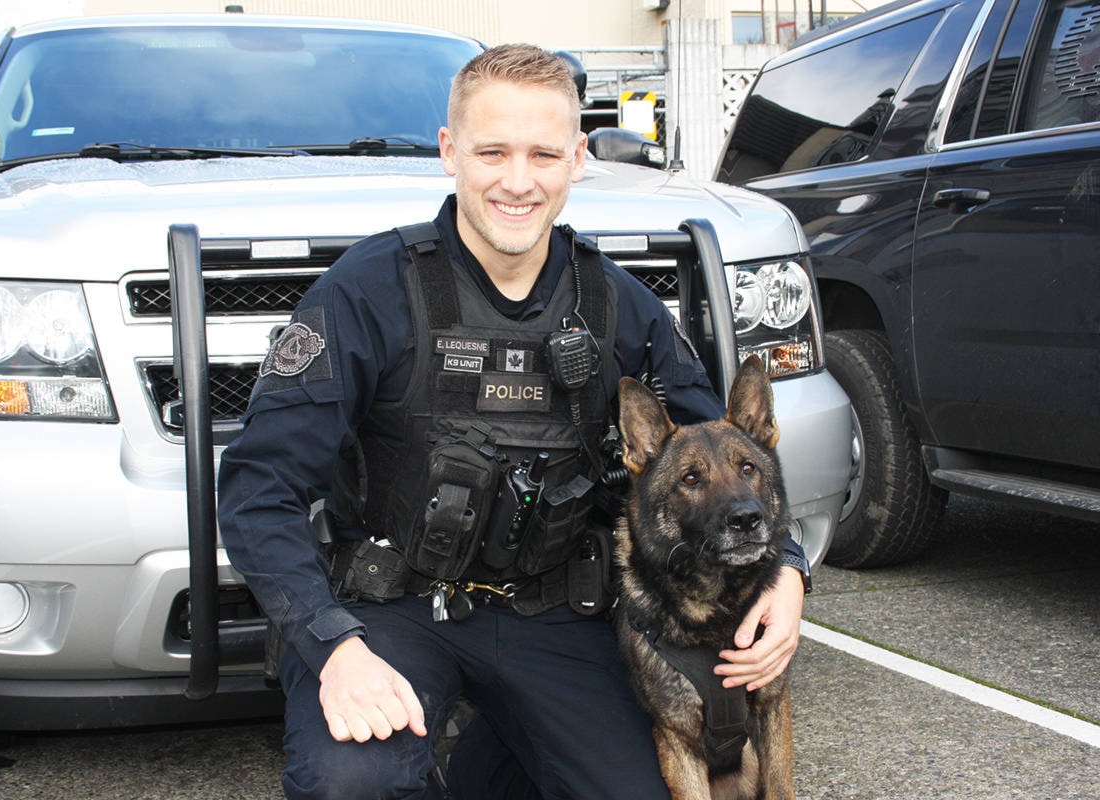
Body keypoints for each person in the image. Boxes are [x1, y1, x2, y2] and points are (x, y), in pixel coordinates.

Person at [216, 43, 808, 800]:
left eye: (543, 154)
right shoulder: (367, 293)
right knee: (351, 780)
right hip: (393, 609)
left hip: (557, 614)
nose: (518, 181)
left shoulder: (616, 305)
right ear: (449, 152)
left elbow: (727, 452)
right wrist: (333, 647)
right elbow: (258, 490)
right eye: (492, 152)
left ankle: (493, 765)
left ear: (578, 159)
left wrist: (788, 569)